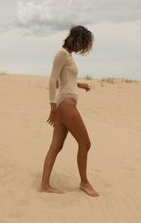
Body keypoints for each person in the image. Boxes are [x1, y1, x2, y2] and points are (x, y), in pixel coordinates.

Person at [40, 25, 99, 197]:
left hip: (65, 103)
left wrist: (80, 84)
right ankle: (84, 183)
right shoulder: (62, 54)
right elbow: (52, 81)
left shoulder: (68, 57)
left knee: (56, 146)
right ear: (77, 40)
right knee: (85, 143)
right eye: (84, 44)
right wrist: (52, 109)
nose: (83, 49)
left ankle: (44, 185)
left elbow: (61, 82)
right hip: (65, 105)